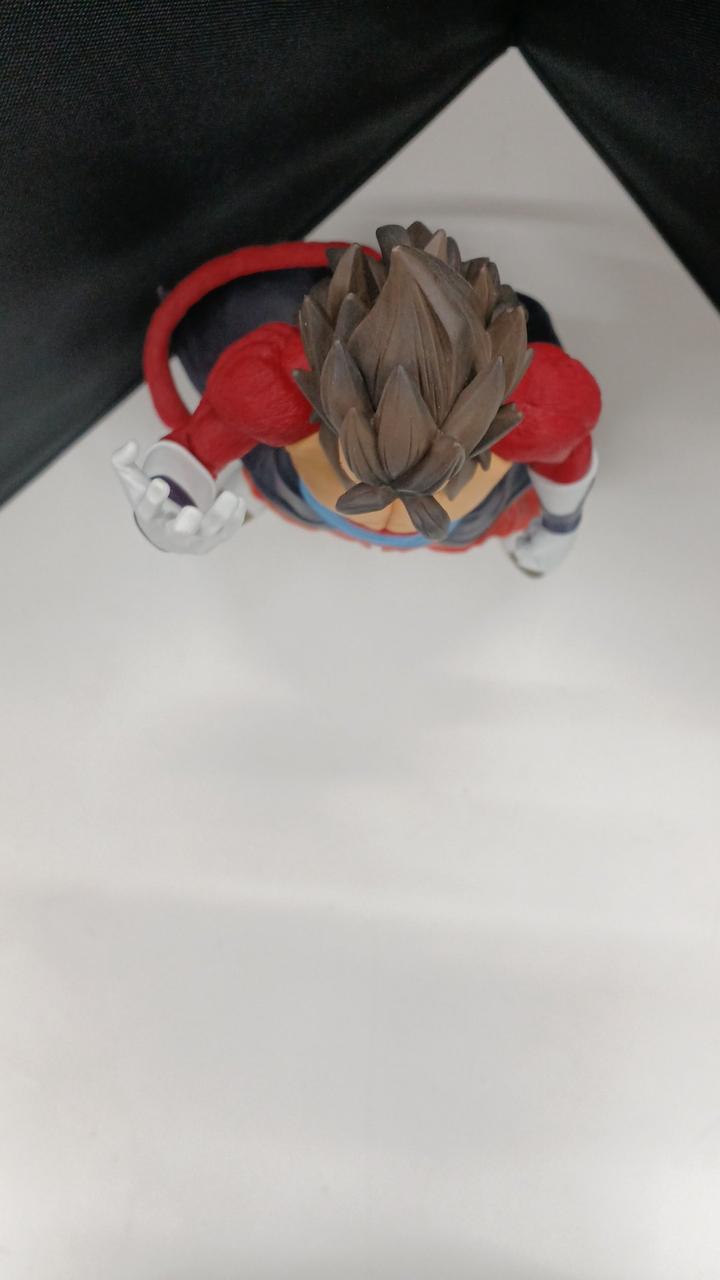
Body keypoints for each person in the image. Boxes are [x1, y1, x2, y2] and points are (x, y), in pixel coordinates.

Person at [113, 223, 601, 575]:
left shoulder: (542, 405)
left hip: (459, 520)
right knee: (263, 485)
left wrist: (561, 523)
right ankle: (259, 495)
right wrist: (175, 498)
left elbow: (568, 460)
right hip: (303, 494)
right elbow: (200, 446)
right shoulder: (280, 384)